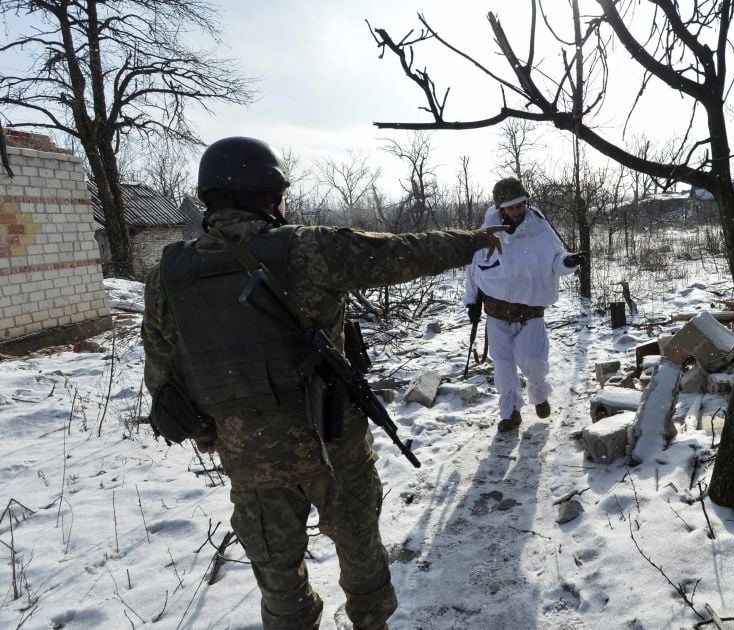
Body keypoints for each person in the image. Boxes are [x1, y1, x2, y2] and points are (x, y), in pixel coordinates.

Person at [141, 136, 503, 630]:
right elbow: (403, 253)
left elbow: (161, 372)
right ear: (270, 196)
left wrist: (206, 429)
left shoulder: (169, 274)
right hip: (333, 445)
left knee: (278, 579)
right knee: (361, 553)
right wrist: (475, 239)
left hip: (249, 460)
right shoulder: (307, 248)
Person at [463, 177, 584, 431]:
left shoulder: (540, 230)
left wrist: (568, 263)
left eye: (519, 205)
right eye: (510, 207)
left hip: (530, 310)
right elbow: (473, 270)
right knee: (503, 366)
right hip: (497, 312)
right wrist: (472, 301)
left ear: (525, 203)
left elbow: (556, 260)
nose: (516, 211)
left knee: (534, 361)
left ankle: (539, 395)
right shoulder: (487, 234)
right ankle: (510, 413)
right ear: (500, 208)